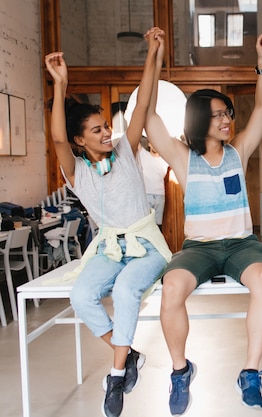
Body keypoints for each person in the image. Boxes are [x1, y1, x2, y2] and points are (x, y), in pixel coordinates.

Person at [145, 33, 262, 415]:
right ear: (201, 119)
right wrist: (155, 56)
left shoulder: (241, 151)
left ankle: (250, 372)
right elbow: (150, 119)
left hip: (241, 245)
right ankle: (180, 371)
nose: (226, 119)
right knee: (171, 287)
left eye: (227, 113)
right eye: (217, 114)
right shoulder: (184, 157)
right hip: (199, 248)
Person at [44, 27, 172, 417]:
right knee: (81, 296)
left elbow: (142, 101)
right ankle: (129, 353)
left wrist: (153, 53)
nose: (107, 132)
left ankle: (116, 376)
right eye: (97, 130)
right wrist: (61, 85)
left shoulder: (126, 152)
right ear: (80, 141)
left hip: (147, 245)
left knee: (126, 290)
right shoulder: (76, 170)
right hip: (108, 246)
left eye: (106, 126)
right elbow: (57, 139)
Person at [138, 138, 169, 228]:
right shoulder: (142, 154)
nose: (155, 145)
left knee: (158, 225)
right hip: (147, 195)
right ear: (149, 144)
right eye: (153, 142)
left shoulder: (165, 160)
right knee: (146, 224)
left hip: (160, 196)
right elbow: (135, 139)